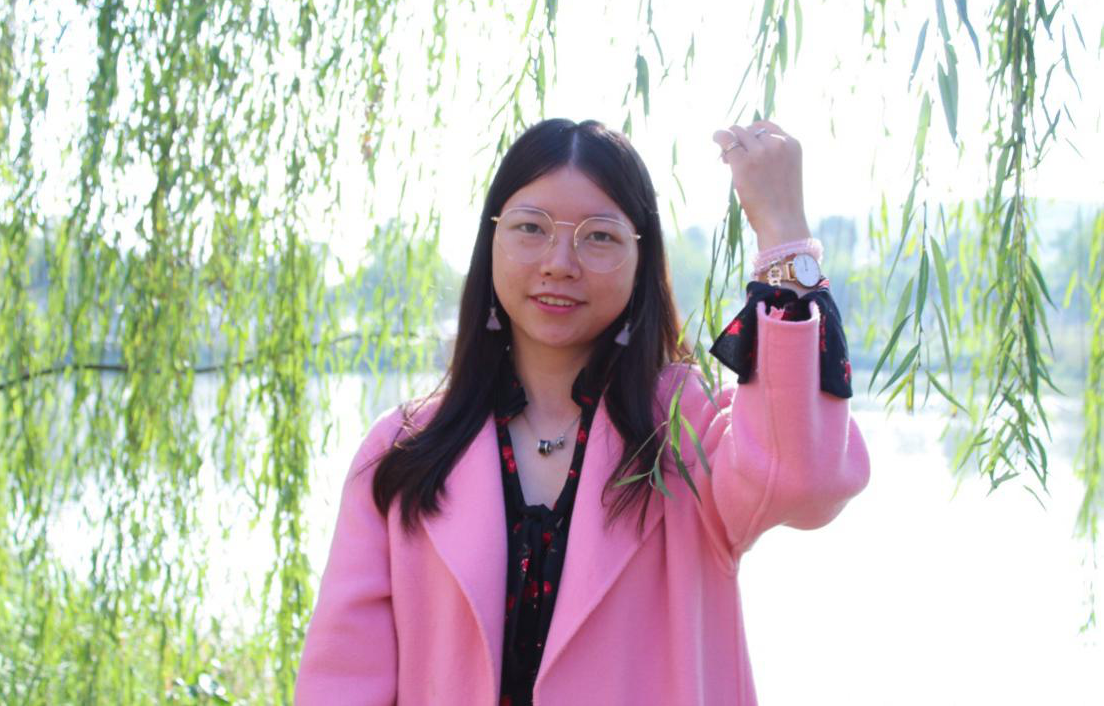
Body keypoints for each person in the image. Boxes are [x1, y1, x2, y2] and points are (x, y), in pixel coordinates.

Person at [294, 118, 870, 705]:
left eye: (599, 236)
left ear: (641, 260)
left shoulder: (683, 433)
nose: (559, 262)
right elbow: (341, 684)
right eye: (530, 227)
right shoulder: (402, 451)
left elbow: (803, 482)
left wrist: (784, 237)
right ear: (490, 241)